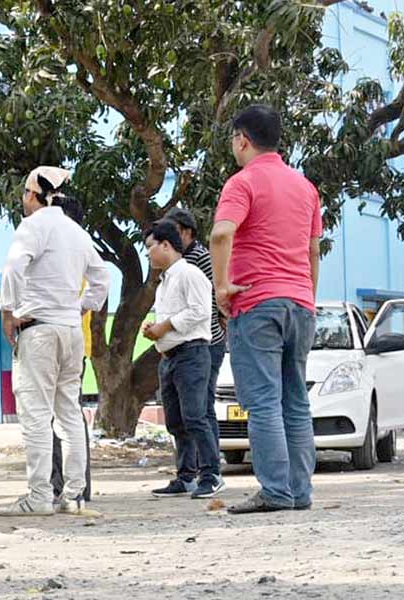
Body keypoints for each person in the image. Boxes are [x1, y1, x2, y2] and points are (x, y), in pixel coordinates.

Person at [209, 104, 322, 514]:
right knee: (296, 401)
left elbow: (222, 234)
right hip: (300, 304)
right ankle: (299, 491)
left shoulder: (242, 183)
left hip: (257, 304)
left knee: (262, 403)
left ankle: (275, 492)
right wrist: (307, 295)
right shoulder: (305, 187)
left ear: (242, 139)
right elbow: (312, 251)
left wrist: (222, 286)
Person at [0, 166, 110, 516]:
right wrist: (78, 308)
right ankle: (74, 496)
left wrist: (8, 312)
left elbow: (14, 267)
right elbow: (102, 281)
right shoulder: (78, 233)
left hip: (40, 331)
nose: (23, 199)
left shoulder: (33, 226)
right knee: (69, 414)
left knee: (36, 415)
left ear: (34, 195)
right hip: (70, 332)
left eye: (25, 193)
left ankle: (39, 496)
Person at [143, 220, 224, 499]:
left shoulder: (190, 273)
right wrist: (154, 329)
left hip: (192, 353)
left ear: (166, 245)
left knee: (196, 416)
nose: (148, 254)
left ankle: (211, 474)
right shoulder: (164, 282)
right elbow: (170, 316)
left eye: (150, 247)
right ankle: (186, 475)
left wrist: (164, 327)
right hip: (169, 356)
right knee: (176, 420)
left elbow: (200, 311)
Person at [163, 207, 226, 466]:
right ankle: (188, 469)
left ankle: (208, 466)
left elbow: (209, 301)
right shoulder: (176, 265)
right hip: (185, 343)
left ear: (186, 232)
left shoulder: (197, 259)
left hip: (205, 341)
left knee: (201, 408)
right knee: (184, 411)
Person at [51, 196, 93, 504]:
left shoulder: (66, 250)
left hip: (64, 342)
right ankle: (75, 488)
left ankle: (64, 487)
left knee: (59, 417)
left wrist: (75, 308)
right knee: (67, 416)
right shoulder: (81, 246)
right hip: (74, 342)